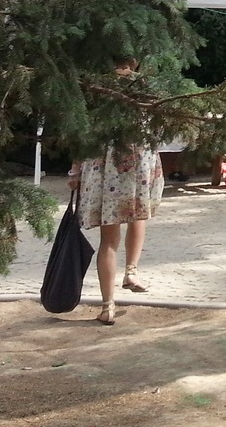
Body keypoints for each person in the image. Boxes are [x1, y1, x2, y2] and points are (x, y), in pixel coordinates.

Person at [66, 60, 164, 325]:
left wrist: (75, 170)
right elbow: (157, 127)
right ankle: (131, 270)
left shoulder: (94, 86)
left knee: (108, 239)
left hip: (103, 165)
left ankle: (107, 306)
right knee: (138, 215)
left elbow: (81, 132)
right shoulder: (144, 86)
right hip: (137, 160)